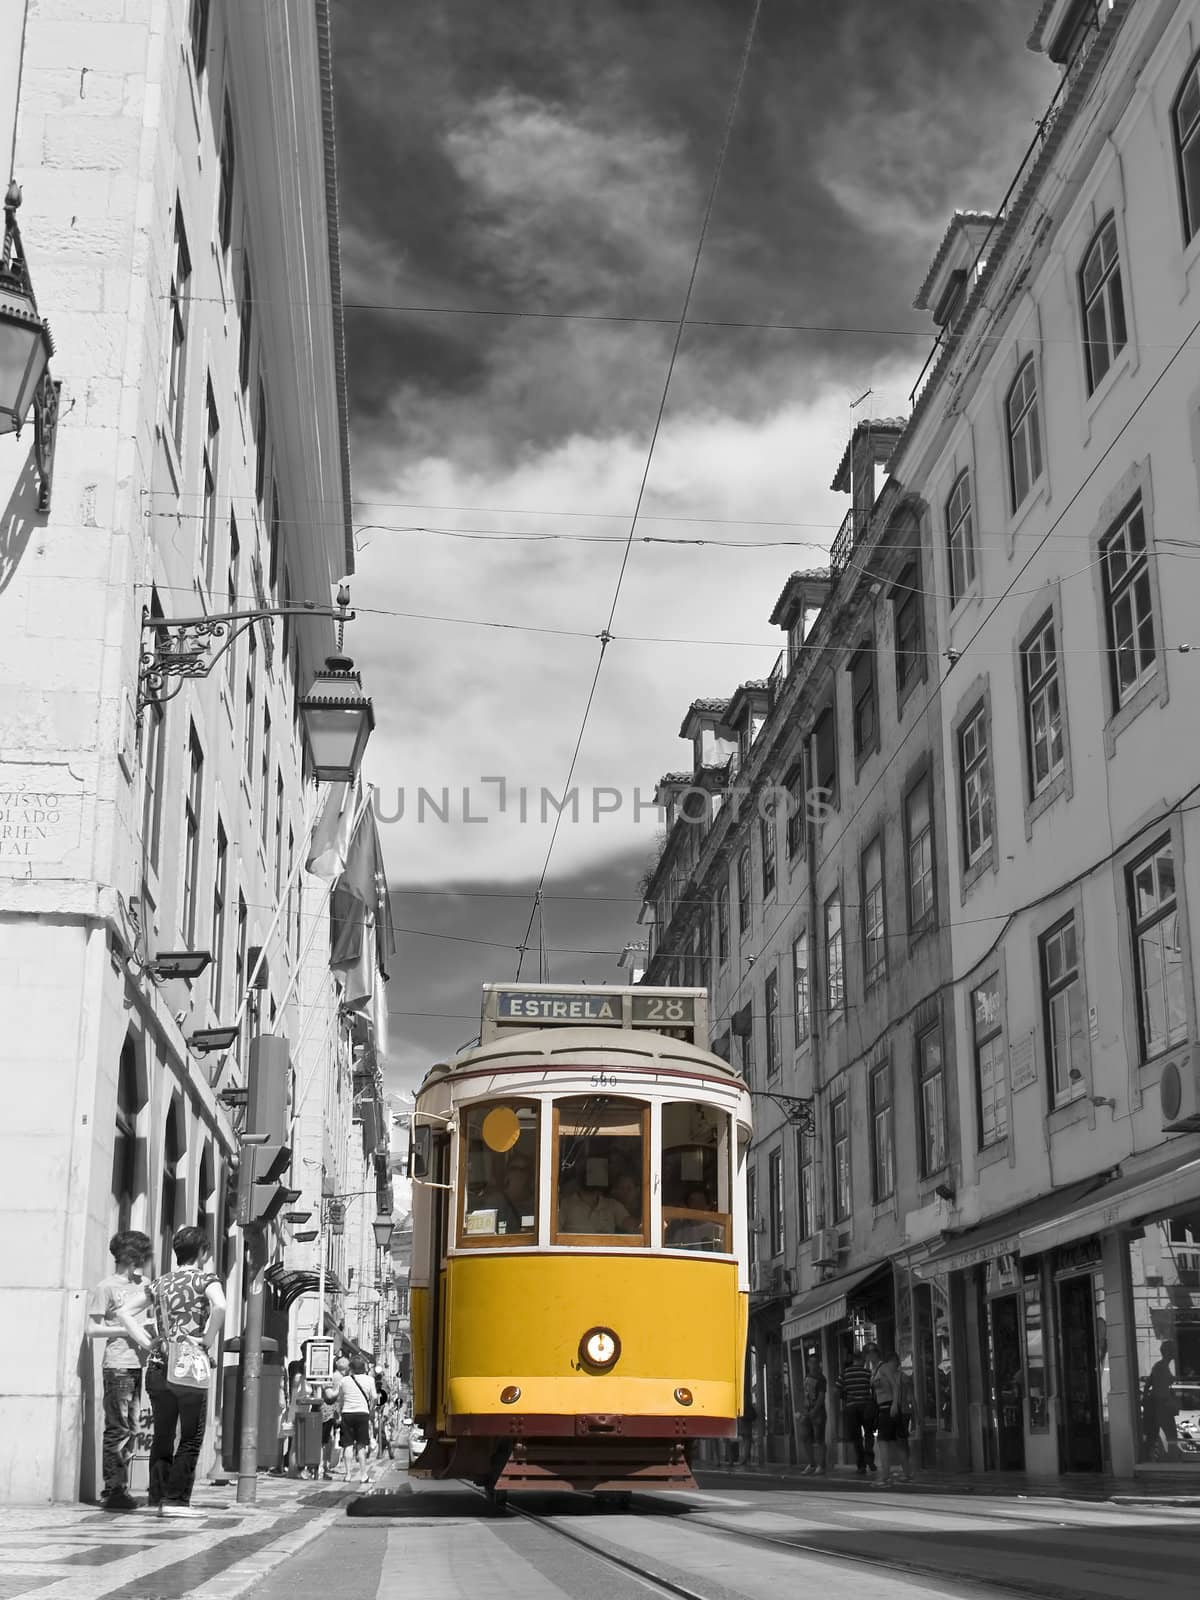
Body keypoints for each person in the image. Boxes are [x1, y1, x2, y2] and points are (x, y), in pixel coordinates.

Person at [146, 1226, 225, 1518]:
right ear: (203, 1252)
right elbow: (221, 1306)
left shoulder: (159, 1282)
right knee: (191, 1435)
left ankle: (157, 1497)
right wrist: (206, 1339)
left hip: (157, 1363)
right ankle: (176, 1501)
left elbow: (126, 1311)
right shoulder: (205, 1279)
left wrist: (148, 1342)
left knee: (163, 1433)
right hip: (188, 1365)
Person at [87, 1229, 155, 1511]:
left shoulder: (146, 1285)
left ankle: (121, 1487)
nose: (144, 1261)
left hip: (139, 1364)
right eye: (141, 1255)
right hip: (117, 1365)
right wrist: (127, 1329)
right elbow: (92, 1329)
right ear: (129, 1256)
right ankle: (113, 1489)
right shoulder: (106, 1287)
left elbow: (149, 1319)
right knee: (118, 1428)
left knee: (133, 1427)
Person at [334, 1354, 376, 1483]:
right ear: (364, 1368)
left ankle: (348, 1475)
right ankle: (363, 1475)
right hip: (362, 1413)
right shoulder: (369, 1380)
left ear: (351, 1368)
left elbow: (339, 1397)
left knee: (347, 1445)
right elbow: (374, 1396)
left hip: (347, 1413)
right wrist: (371, 1408)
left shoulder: (344, 1380)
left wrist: (341, 1409)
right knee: (361, 1446)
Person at [836, 1346, 877, 1475]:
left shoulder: (845, 1373)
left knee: (857, 1437)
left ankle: (861, 1465)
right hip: (866, 1406)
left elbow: (837, 1390)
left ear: (853, 1359)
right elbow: (874, 1388)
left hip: (851, 1407)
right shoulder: (867, 1373)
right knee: (869, 1433)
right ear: (862, 1359)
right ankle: (869, 1458)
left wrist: (845, 1397)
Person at [869, 1346, 902, 1484]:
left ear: (876, 1353)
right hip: (882, 1408)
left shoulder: (883, 1368)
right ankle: (889, 1474)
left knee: (883, 1442)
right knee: (889, 1442)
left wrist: (895, 1404)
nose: (869, 1357)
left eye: (870, 1353)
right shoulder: (874, 1370)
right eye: (867, 1354)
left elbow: (895, 1386)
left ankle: (886, 1475)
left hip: (888, 1406)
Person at [558, 1180, 635, 1234]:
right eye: (587, 1172)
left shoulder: (612, 1205)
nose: (590, 1178)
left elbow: (632, 1226)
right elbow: (553, 1234)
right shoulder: (565, 1204)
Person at [796, 1353, 828, 1476]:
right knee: (804, 1436)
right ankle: (812, 1463)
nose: (812, 1365)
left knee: (819, 1438)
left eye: (815, 1362)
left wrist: (815, 1409)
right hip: (807, 1410)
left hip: (817, 1411)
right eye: (811, 1362)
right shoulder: (807, 1377)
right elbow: (805, 1394)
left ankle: (821, 1465)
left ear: (818, 1364)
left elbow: (821, 1396)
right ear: (808, 1364)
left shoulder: (821, 1378)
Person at [1148, 1341, 1179, 1458]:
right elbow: (1157, 1388)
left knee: (1170, 1435)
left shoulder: (1161, 1366)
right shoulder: (1161, 1367)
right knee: (1171, 1435)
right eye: (1173, 1350)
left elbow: (1149, 1383)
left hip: (1163, 1406)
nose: (1175, 1353)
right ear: (1168, 1352)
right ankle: (1172, 1459)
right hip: (1163, 1406)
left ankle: (1171, 1457)